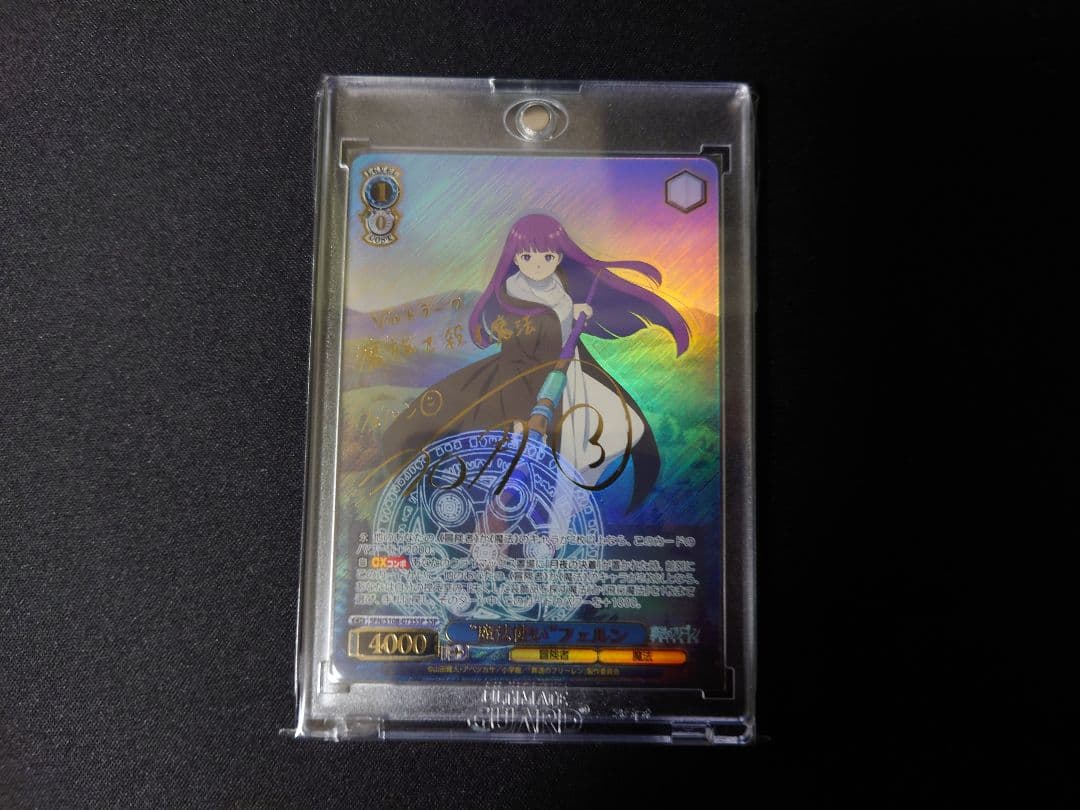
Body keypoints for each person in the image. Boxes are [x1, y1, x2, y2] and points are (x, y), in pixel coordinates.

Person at [380, 213, 689, 510]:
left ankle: (571, 494)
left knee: (621, 425)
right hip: (525, 378)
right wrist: (525, 407)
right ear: (514, 258)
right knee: (518, 448)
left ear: (559, 257)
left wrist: (576, 312)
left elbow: (558, 318)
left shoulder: (560, 287)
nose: (538, 265)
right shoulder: (509, 296)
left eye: (547, 257)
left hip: (570, 371)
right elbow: (519, 345)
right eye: (527, 257)